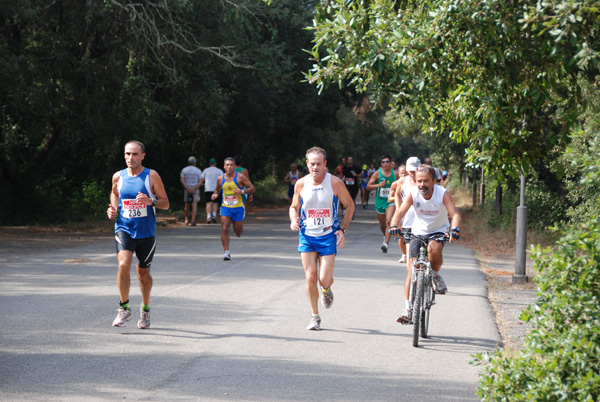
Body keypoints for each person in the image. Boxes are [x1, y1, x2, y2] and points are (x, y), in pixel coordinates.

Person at [290, 146, 354, 331]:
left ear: (325, 164)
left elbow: (349, 206)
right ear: (307, 164)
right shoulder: (301, 184)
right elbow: (294, 206)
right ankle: (315, 316)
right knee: (310, 277)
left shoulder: (334, 183)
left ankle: (326, 289)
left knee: (323, 279)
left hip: (327, 236)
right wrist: (293, 219)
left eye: (319, 163)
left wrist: (342, 229)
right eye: (312, 164)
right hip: (307, 235)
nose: (315, 167)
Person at [107, 140, 170, 329]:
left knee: (143, 273)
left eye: (134, 154)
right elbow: (114, 194)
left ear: (143, 156)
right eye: (127, 154)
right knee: (123, 264)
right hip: (124, 228)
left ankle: (145, 309)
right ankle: (124, 307)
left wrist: (150, 201)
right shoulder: (118, 176)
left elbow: (165, 203)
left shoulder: (151, 176)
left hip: (146, 232)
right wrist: (112, 209)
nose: (130, 158)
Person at [389, 164, 461, 323]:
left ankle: (435, 275)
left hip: (438, 230)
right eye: (419, 181)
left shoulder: (442, 194)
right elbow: (400, 211)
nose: (422, 184)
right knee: (411, 270)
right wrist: (394, 225)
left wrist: (454, 229)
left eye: (426, 181)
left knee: (433, 249)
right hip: (417, 231)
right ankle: (408, 309)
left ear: (434, 181)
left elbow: (454, 214)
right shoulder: (413, 193)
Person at [212, 157, 255, 260]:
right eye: (227, 165)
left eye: (231, 165)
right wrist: (215, 194)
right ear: (224, 167)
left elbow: (252, 188)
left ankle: (238, 232)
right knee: (224, 227)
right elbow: (216, 190)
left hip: (238, 207)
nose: (229, 167)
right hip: (226, 207)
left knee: (238, 231)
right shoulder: (220, 178)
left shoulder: (240, 177)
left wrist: (242, 192)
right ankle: (226, 252)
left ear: (235, 166)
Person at [389, 157, 420, 263]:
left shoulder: (424, 180)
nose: (412, 173)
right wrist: (399, 209)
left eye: (415, 170)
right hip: (408, 219)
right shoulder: (402, 181)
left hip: (424, 220)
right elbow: (397, 194)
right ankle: (411, 274)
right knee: (410, 255)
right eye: (410, 170)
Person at [366, 154, 397, 253]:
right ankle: (385, 235)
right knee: (382, 224)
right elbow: (368, 186)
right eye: (383, 162)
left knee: (388, 221)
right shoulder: (377, 174)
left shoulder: (395, 174)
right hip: (379, 202)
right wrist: (379, 185)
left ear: (391, 163)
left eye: (387, 162)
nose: (385, 164)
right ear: (381, 164)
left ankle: (386, 244)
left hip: (390, 201)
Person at [180, 156, 204, 226]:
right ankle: (193, 221)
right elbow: (201, 181)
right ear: (195, 162)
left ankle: (186, 220)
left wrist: (187, 188)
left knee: (187, 204)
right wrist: (194, 188)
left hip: (187, 188)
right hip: (195, 188)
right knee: (194, 205)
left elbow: (182, 180)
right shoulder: (198, 170)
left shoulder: (184, 170)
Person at [203, 158, 223, 223]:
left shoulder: (205, 170)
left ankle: (208, 216)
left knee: (208, 202)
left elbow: (202, 179)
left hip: (208, 189)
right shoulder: (219, 171)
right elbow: (222, 180)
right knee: (215, 202)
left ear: (209, 163)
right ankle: (214, 215)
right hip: (216, 189)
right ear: (215, 163)